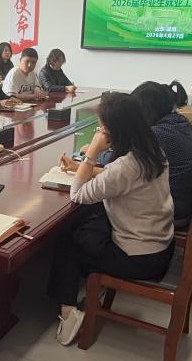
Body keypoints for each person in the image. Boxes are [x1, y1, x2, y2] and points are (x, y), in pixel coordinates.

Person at [48, 92, 174, 345]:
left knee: (67, 241)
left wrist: (92, 152)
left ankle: (69, 314)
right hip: (159, 245)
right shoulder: (151, 151)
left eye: (102, 128)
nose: (99, 132)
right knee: (88, 222)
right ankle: (79, 285)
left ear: (115, 131)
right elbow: (117, 176)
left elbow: (78, 194)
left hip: (138, 258)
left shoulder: (126, 166)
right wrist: (81, 168)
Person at [131, 82, 192, 229]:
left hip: (172, 211)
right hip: (185, 201)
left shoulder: (157, 134)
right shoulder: (178, 121)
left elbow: (120, 162)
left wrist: (95, 150)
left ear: (145, 110)